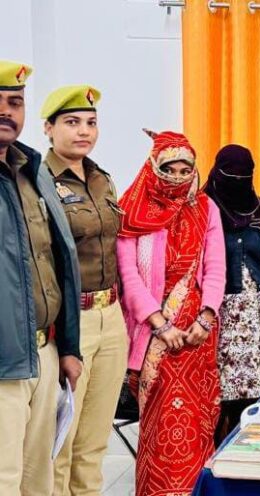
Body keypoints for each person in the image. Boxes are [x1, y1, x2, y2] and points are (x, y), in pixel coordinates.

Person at [117, 129, 225, 495]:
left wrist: (206, 317)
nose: (177, 178)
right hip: (153, 336)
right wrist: (160, 324)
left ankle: (196, 490)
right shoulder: (132, 210)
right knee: (160, 424)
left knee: (198, 421)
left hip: (198, 336)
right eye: (169, 169)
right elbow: (129, 275)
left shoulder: (206, 207)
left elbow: (216, 266)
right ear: (154, 167)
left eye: (185, 170)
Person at [41, 85, 129, 495]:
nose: (84, 131)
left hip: (111, 316)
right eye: (72, 122)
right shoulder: (39, 182)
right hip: (70, 322)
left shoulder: (101, 179)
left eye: (91, 123)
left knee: (94, 443)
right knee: (61, 442)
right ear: (48, 128)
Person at [0, 61, 82, 495]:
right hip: (3, 364)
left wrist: (68, 347)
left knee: (39, 480)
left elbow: (58, 261)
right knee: (4, 478)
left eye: (15, 102)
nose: (6, 111)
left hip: (43, 352)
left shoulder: (32, 170)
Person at [204, 144, 260, 443]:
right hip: (216, 315)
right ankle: (214, 459)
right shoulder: (203, 209)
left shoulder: (259, 210)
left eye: (244, 176)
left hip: (255, 317)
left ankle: (249, 457)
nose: (238, 182)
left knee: (253, 399)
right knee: (217, 397)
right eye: (231, 176)